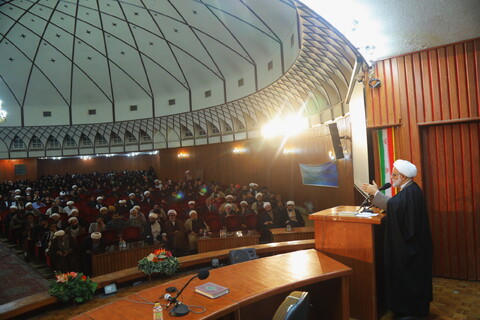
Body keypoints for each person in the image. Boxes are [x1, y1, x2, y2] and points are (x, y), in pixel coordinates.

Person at [361, 159, 433, 319]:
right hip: (415, 245)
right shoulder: (410, 190)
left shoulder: (410, 192)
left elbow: (394, 206)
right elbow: (396, 206)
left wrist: (376, 194)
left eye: (394, 175)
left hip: (411, 248)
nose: (391, 178)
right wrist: (377, 194)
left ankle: (409, 311)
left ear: (404, 177)